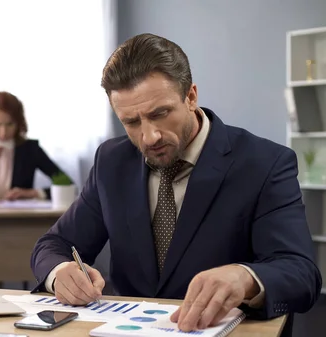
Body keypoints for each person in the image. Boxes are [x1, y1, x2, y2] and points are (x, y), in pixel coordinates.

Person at [30, 33, 321, 334]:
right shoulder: (111, 161)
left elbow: (301, 273)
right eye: (131, 121)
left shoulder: (265, 163)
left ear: (191, 96)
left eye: (160, 113)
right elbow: (54, 245)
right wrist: (60, 271)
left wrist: (245, 278)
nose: (149, 136)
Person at [0, 91, 70, 201]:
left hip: (19, 217)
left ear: (19, 122)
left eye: (10, 124)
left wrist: (31, 193)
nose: (3, 132)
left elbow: (67, 183)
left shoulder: (31, 149)